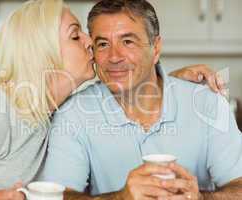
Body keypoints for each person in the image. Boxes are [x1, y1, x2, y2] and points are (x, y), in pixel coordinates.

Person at [0, 0, 222, 200]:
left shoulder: (54, 110)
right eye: (75, 35)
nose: (90, 41)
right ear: (45, 53)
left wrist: (169, 82)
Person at [37, 0, 242, 200]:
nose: (114, 57)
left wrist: (199, 198)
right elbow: (57, 195)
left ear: (156, 48)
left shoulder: (207, 103)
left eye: (127, 42)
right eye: (102, 44)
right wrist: (121, 198)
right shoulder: (74, 113)